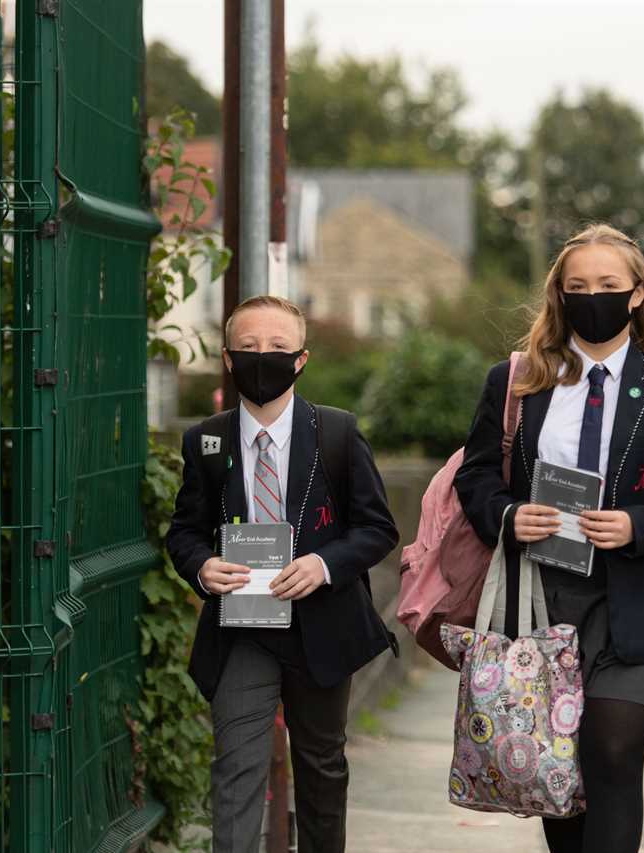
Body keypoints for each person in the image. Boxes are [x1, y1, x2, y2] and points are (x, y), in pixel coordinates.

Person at [454, 223, 644, 853]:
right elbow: (477, 475)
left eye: (607, 284)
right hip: (542, 596)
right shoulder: (516, 381)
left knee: (615, 755)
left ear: (637, 295)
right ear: (558, 296)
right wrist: (510, 516)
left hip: (632, 604)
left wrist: (638, 525)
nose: (591, 295)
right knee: (556, 765)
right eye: (577, 286)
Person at [165, 295, 399, 853]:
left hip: (322, 623)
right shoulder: (207, 440)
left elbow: (377, 528)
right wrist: (202, 567)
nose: (262, 357)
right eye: (248, 347)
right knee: (237, 765)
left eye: (277, 347)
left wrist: (322, 565)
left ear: (301, 358)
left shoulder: (337, 434)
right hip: (242, 627)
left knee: (321, 764)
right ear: (226, 357)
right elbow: (184, 532)